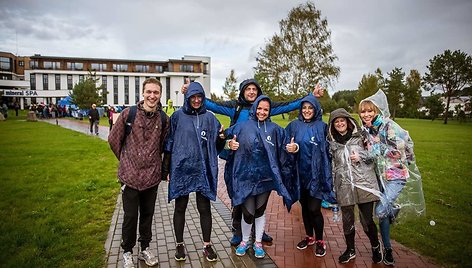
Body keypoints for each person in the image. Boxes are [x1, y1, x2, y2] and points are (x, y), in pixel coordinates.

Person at [182, 78, 324, 246]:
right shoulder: (235, 107)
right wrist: (191, 93)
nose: (251, 92)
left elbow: (289, 105)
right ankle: (238, 230)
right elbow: (211, 105)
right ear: (242, 91)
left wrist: (310, 96)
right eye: (248, 89)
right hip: (238, 159)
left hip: (261, 161)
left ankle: (259, 231)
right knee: (239, 195)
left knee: (260, 199)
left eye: (254, 89)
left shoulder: (266, 107)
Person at [108, 78, 169, 268]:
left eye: (156, 93)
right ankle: (127, 251)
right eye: (149, 92)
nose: (152, 96)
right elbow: (113, 139)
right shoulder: (129, 114)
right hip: (130, 177)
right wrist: (126, 160)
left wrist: (158, 167)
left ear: (160, 95)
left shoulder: (164, 119)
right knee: (130, 216)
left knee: (147, 215)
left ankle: (145, 248)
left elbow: (164, 145)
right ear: (142, 93)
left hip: (151, 177)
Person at [359, 89, 425, 266]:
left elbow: (399, 150)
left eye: (369, 110)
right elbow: (366, 150)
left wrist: (374, 151)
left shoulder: (388, 126)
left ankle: (394, 208)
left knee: (381, 211)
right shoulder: (366, 130)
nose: (366, 114)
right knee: (382, 216)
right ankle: (388, 249)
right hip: (378, 176)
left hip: (395, 175)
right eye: (363, 111)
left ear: (376, 111)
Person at [162, 82, 225, 262]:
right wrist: (165, 168)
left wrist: (221, 138)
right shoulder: (177, 117)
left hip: (202, 169)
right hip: (182, 168)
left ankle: (207, 244)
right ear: (187, 98)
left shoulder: (210, 118)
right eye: (193, 97)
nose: (196, 100)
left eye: (199, 97)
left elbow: (217, 146)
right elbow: (169, 143)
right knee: (180, 206)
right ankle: (179, 244)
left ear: (203, 98)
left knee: (204, 208)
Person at [225, 95, 294, 259]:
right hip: (246, 178)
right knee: (248, 213)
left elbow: (285, 147)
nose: (262, 112)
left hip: (265, 178)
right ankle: (244, 241)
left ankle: (257, 243)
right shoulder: (242, 126)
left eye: (266, 109)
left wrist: (294, 147)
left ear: (269, 112)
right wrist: (229, 144)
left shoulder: (275, 129)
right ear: (255, 108)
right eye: (260, 108)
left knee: (259, 210)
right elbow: (224, 137)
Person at [327, 108, 382, 264]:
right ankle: (350, 250)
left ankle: (375, 246)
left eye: (342, 120)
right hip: (344, 186)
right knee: (348, 221)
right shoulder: (332, 143)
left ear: (348, 121)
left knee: (367, 220)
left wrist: (361, 155)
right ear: (332, 125)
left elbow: (375, 154)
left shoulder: (362, 136)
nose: (340, 124)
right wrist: (333, 186)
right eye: (336, 122)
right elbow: (332, 165)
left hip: (364, 184)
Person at [284, 95, 335, 257]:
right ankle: (309, 236)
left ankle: (320, 240)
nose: (307, 111)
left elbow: (333, 147)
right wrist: (289, 148)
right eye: (304, 108)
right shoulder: (294, 126)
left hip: (317, 176)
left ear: (315, 109)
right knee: (305, 208)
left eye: (310, 108)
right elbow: (284, 143)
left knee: (314, 209)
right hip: (300, 175)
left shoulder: (323, 127)